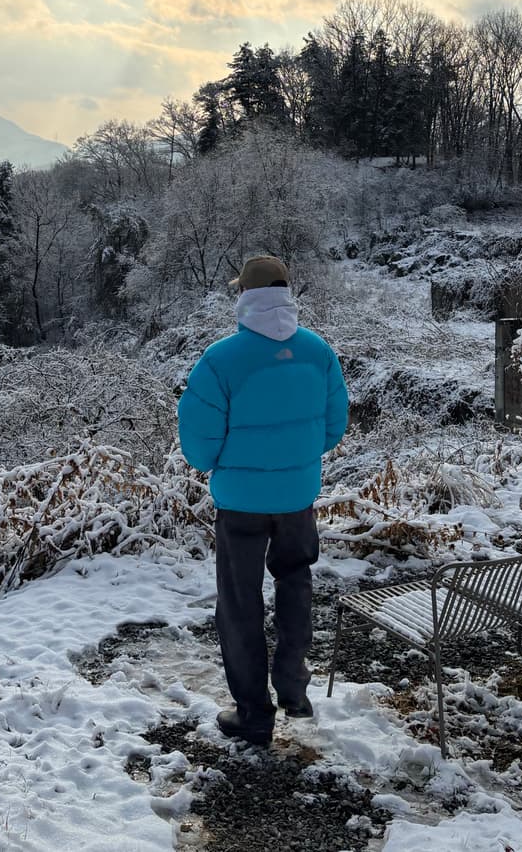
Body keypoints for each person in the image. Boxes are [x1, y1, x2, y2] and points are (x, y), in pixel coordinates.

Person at [177, 253, 349, 747]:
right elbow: (333, 425)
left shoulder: (221, 359)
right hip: (298, 496)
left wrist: (234, 465)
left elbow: (199, 446)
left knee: (239, 602)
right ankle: (293, 688)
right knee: (295, 581)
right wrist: (294, 459)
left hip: (241, 502)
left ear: (245, 297)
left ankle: (254, 714)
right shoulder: (318, 352)